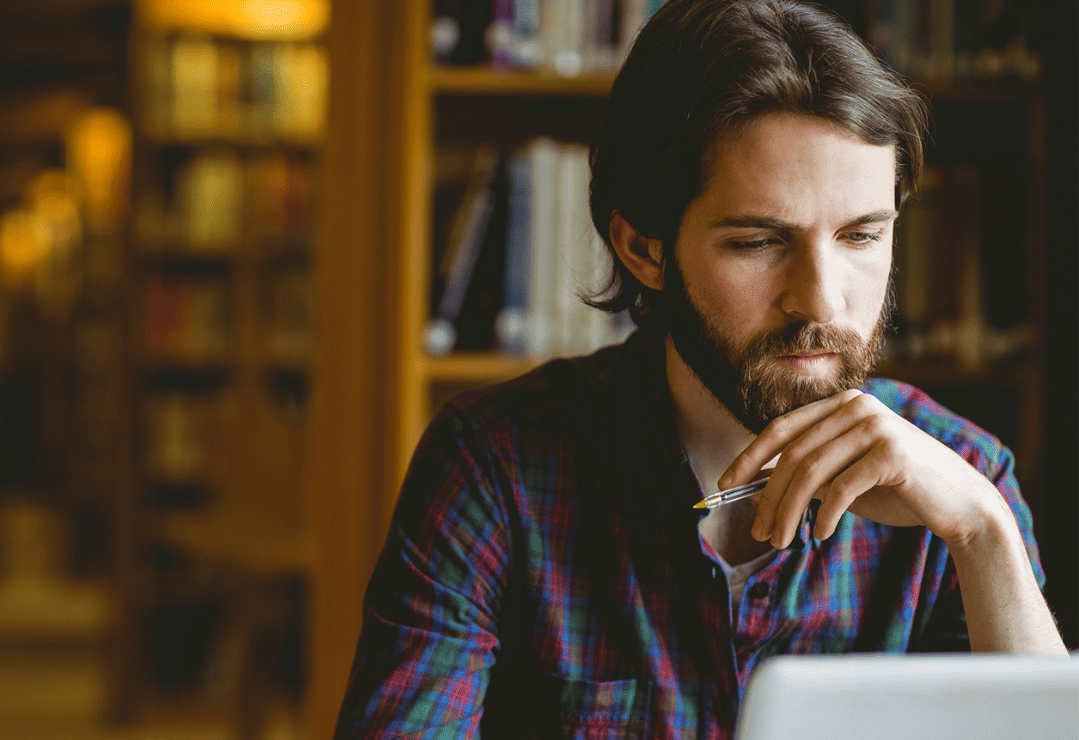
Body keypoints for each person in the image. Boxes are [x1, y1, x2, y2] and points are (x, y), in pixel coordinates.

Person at [334, 0, 1067, 737]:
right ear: (643, 249)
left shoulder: (965, 475)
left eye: (860, 236)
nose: (821, 297)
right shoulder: (494, 466)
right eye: (757, 242)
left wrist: (983, 536)